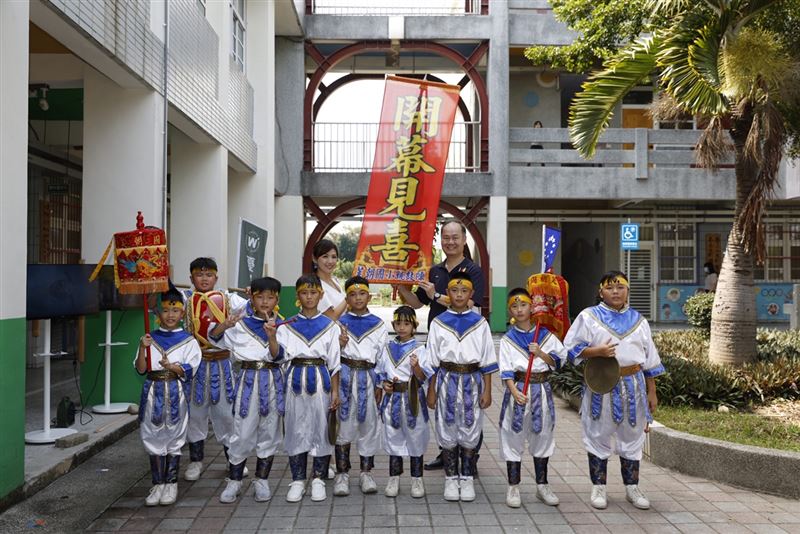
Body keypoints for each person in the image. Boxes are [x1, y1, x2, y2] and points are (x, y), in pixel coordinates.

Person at [563, 271, 665, 511]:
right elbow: (570, 348)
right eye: (610, 288)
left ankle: (632, 488)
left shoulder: (639, 320)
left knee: (632, 436)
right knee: (598, 434)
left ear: (628, 291)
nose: (616, 292)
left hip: (634, 384)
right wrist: (595, 352)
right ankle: (598, 487)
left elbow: (649, 360)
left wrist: (652, 391)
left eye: (620, 287)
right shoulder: (589, 317)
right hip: (601, 384)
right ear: (601, 292)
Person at [394, 220, 486, 471]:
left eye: (455, 237)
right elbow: (416, 303)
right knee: (443, 401)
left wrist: (436, 295)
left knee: (467, 403)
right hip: (440, 339)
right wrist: (402, 287)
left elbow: (470, 305)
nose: (450, 242)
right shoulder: (433, 270)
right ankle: (446, 453)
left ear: (464, 240)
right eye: (445, 237)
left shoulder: (473, 270)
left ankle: (470, 457)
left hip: (465, 342)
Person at [208, 277, 285, 504]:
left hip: (272, 380)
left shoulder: (282, 325)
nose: (265, 301)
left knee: (270, 430)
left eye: (270, 297)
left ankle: (262, 480)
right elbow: (214, 338)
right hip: (247, 380)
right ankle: (234, 481)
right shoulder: (239, 324)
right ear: (252, 297)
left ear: (276, 299)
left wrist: (272, 336)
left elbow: (278, 356)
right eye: (260, 296)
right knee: (241, 430)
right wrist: (225, 325)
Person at [267, 274, 341, 502]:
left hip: (321, 380)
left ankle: (318, 478)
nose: (309, 297)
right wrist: (271, 337)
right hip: (295, 380)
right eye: (304, 293)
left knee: (320, 427)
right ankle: (298, 479)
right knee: (296, 428)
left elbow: (335, 362)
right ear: (298, 296)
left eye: (313, 292)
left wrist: (336, 392)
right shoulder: (288, 325)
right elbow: (277, 356)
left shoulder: (330, 326)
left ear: (320, 294)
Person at [425, 272, 498, 502]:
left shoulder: (480, 323)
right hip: (447, 379)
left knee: (470, 427)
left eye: (463, 291)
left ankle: (466, 478)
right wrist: (431, 389)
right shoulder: (439, 323)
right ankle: (450, 478)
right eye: (454, 291)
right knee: (447, 428)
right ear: (447, 293)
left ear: (471, 294)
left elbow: (487, 358)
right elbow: (432, 360)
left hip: (472, 380)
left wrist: (487, 389)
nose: (458, 295)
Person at [181, 258, 248, 482]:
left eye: (208, 275)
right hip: (196, 364)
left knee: (226, 415)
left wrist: (253, 294)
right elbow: (161, 306)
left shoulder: (229, 298)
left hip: (222, 364)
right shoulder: (185, 300)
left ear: (216, 277)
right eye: (199, 275)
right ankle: (196, 461)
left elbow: (252, 307)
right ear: (191, 278)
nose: (204, 279)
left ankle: (233, 460)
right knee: (196, 414)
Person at [134, 286, 201, 507]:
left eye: (175, 310)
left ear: (182, 313)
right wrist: (144, 349)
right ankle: (158, 483)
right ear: (157, 313)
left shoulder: (188, 341)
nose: (170, 315)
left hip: (175, 391)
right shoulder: (149, 338)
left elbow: (190, 369)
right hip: (153, 390)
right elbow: (142, 369)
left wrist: (172, 367)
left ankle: (171, 482)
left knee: (174, 435)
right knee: (152, 435)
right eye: (165, 310)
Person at [498, 288, 564, 508]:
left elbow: (560, 361)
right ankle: (513, 487)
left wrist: (541, 353)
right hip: (518, 390)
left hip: (542, 390)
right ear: (510, 311)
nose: (519, 309)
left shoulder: (544, 336)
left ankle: (542, 485)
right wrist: (515, 392)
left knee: (542, 436)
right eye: (514, 306)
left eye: (523, 304)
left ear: (531, 307)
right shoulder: (508, 339)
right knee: (513, 436)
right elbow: (506, 370)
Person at [333, 276, 388, 497]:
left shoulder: (378, 324)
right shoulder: (338, 324)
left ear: (369, 296)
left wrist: (381, 384)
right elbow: (329, 355)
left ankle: (366, 472)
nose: (358, 298)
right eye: (353, 295)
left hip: (369, 377)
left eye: (362, 293)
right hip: (346, 377)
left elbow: (383, 356)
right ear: (346, 298)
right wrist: (339, 346)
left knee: (369, 426)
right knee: (343, 425)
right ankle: (342, 473)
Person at [377, 306, 433, 498]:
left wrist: (416, 367)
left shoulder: (420, 349)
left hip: (413, 399)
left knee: (416, 437)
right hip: (392, 400)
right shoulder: (387, 348)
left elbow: (423, 377)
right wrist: (385, 384)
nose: (402, 327)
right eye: (398, 323)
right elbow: (381, 374)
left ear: (414, 326)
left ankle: (417, 479)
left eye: (406, 323)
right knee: (393, 437)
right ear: (393, 325)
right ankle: (394, 477)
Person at [313, 239, 347, 320]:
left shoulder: (336, 281)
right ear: (314, 259)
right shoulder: (314, 285)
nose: (330, 261)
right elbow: (331, 317)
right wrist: (349, 298)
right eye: (325, 256)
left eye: (334, 257)